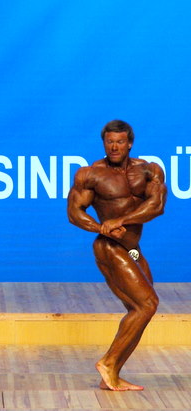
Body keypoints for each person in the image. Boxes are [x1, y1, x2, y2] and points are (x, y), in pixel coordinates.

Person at [67, 119, 167, 391]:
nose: (114, 147)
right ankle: (109, 363)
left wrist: (121, 220)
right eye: (109, 142)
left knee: (141, 310)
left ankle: (111, 373)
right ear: (104, 143)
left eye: (120, 142)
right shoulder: (91, 174)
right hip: (109, 246)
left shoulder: (149, 170)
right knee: (147, 304)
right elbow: (74, 212)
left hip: (133, 248)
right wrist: (102, 227)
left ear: (129, 143)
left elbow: (157, 206)